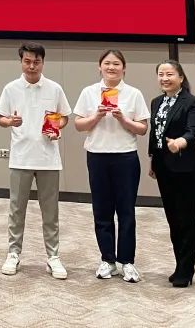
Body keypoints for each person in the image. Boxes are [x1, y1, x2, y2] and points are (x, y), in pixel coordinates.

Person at [0, 42, 72, 280]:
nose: (31, 66)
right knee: (16, 209)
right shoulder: (11, 88)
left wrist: (57, 126)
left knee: (50, 211)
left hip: (48, 159)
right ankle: (13, 253)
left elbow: (65, 117)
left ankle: (53, 256)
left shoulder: (54, 88)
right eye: (27, 61)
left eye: (36, 62)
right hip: (20, 158)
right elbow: (1, 118)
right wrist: (9, 122)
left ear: (43, 63)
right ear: (21, 62)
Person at [73, 49, 150, 282]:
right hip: (97, 156)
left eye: (116, 64)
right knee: (101, 210)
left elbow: (143, 128)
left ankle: (127, 262)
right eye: (107, 63)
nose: (111, 67)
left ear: (124, 68)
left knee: (126, 211)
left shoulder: (134, 93)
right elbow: (78, 125)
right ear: (99, 67)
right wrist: (96, 116)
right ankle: (107, 260)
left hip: (125, 157)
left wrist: (123, 119)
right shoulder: (89, 92)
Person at [149, 60, 195, 288]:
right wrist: (153, 160)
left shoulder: (192, 102)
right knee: (173, 219)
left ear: (181, 77)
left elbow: (193, 130)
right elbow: (155, 133)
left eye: (169, 74)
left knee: (187, 219)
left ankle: (186, 270)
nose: (165, 78)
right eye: (161, 74)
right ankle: (179, 265)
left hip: (185, 168)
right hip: (164, 168)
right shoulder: (156, 102)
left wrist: (180, 142)